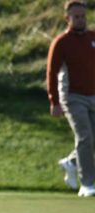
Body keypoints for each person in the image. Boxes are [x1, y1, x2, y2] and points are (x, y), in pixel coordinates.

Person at [47, 0, 95, 197]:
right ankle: (88, 184)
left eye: (83, 16)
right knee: (85, 136)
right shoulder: (61, 42)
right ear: (67, 19)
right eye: (76, 17)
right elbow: (52, 72)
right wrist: (54, 101)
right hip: (73, 97)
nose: (81, 20)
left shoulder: (93, 37)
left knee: (92, 139)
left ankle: (72, 162)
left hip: (94, 94)